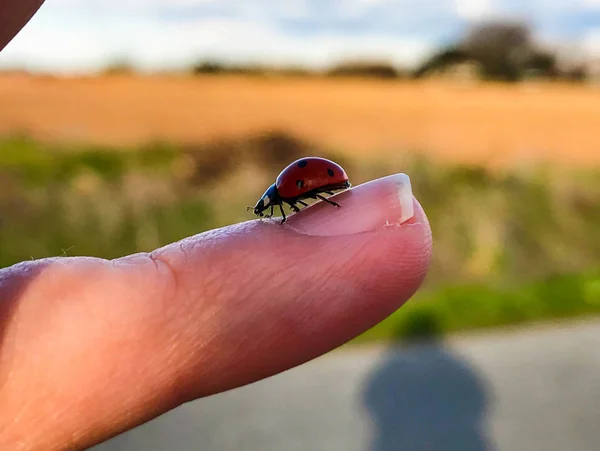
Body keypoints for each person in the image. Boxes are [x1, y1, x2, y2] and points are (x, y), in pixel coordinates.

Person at [0, 4, 432, 449]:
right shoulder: (285, 191)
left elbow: (297, 195)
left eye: (269, 207)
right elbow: (296, 196)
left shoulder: (286, 191)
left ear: (272, 199)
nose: (269, 210)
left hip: (329, 181)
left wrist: (316, 200)